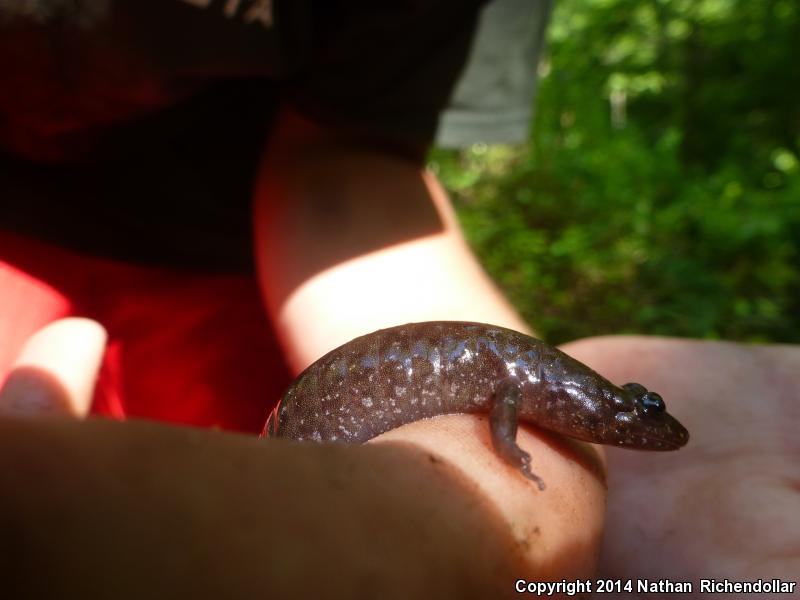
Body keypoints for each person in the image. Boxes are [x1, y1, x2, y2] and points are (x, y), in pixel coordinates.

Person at [0, 2, 796, 598]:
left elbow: (346, 167)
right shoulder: (531, 389)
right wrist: (512, 453)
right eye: (634, 417)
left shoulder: (552, 390)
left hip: (247, 276)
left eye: (635, 416)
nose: (635, 429)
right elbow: (509, 399)